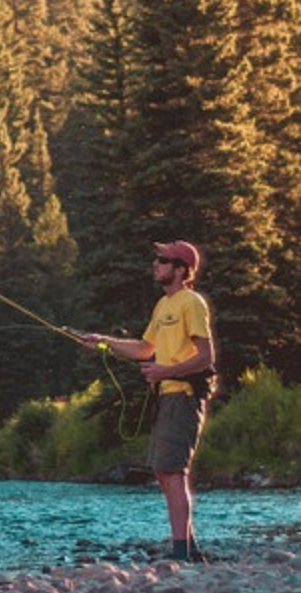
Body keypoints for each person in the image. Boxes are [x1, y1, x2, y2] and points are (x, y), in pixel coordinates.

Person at [73, 240, 216, 563]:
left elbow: (207, 357)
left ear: (180, 269)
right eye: (156, 258)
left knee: (172, 471)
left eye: (163, 260)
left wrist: (167, 370)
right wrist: (103, 343)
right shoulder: (162, 305)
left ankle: (181, 553)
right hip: (165, 397)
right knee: (163, 471)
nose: (155, 264)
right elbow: (143, 349)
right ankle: (188, 548)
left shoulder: (190, 303)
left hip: (184, 395)